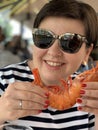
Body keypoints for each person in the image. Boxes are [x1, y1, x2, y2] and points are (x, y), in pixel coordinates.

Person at [0, 0, 98, 129]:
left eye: (70, 42)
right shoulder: (3, 80)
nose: (53, 52)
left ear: (87, 52)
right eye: (44, 37)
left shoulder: (90, 94)